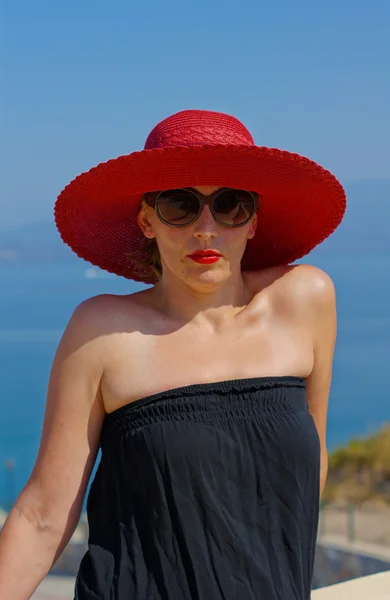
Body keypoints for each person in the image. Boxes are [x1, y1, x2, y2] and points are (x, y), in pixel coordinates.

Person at [0, 109, 346, 599]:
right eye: (180, 206)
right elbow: (41, 515)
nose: (206, 228)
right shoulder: (102, 331)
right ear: (146, 220)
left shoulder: (306, 301)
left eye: (230, 206)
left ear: (252, 221)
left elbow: (312, 468)